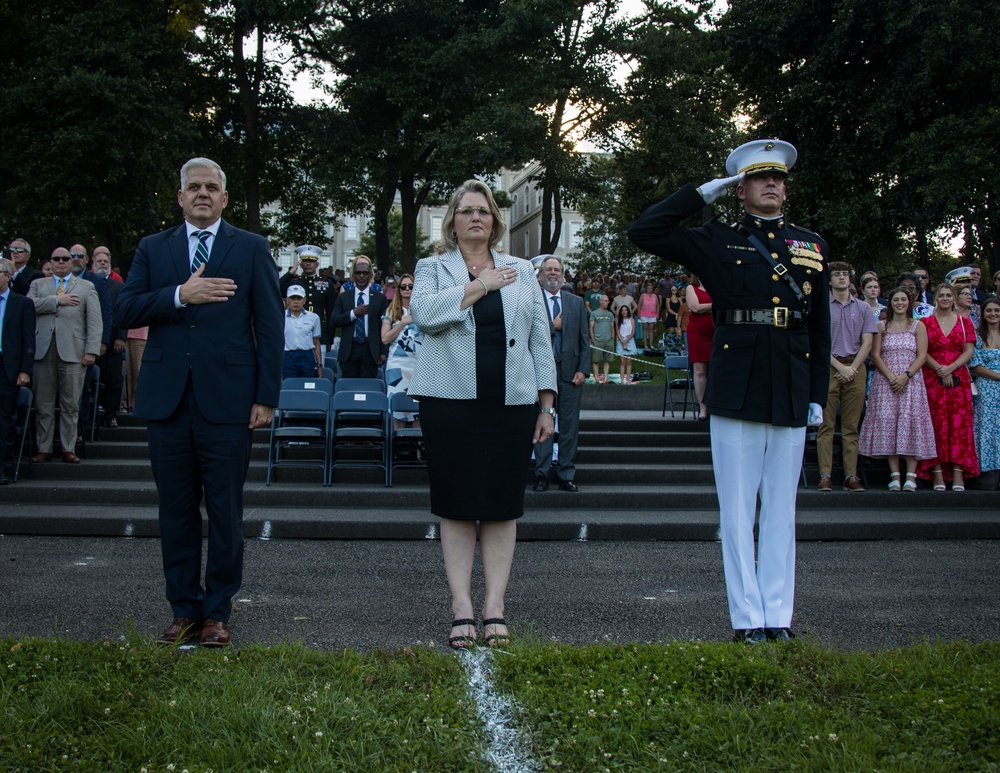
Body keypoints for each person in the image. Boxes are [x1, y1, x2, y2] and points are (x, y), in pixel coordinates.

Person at [629, 138, 831, 644]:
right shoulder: (715, 238)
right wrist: (701, 193)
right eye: (760, 178)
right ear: (740, 189)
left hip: (789, 380)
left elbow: (820, 326)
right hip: (737, 383)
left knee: (782, 507)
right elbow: (645, 230)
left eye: (778, 178)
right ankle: (746, 619)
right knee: (738, 508)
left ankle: (778, 617)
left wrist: (818, 394)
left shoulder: (811, 245)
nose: (771, 185)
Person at [114, 157, 284, 648]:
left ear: (225, 198)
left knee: (226, 511)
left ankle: (218, 612)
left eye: (212, 187)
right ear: (181, 196)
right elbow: (125, 308)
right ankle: (184, 609)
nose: (203, 194)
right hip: (167, 401)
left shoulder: (251, 248)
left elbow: (270, 327)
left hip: (229, 401)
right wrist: (179, 294)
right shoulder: (154, 248)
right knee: (176, 510)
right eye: (195, 187)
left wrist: (265, 397)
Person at [408, 179, 556, 650]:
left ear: (495, 221)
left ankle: (494, 605)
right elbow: (426, 314)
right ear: (452, 221)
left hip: (511, 403)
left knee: (501, 505)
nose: (476, 218)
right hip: (448, 403)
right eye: (467, 211)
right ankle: (461, 606)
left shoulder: (521, 270)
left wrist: (546, 403)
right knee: (455, 504)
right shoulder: (433, 267)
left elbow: (538, 339)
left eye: (485, 212)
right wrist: (479, 286)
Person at [28, 248, 103, 464]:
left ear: (72, 262)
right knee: (43, 404)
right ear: (50, 262)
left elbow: (95, 321)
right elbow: (27, 306)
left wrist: (91, 351)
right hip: (43, 351)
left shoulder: (86, 286)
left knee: (71, 404)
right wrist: (56, 301)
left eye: (65, 259)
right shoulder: (38, 285)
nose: (61, 262)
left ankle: (68, 448)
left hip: (74, 352)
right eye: (56, 259)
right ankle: (44, 448)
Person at [858, 288, 936, 491]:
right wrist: (893, 378)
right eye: (896, 299)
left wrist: (905, 376)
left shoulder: (918, 326)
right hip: (886, 382)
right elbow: (875, 355)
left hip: (911, 382)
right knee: (890, 424)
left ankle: (911, 475)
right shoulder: (881, 326)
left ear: (909, 302)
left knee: (910, 424)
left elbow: (922, 355)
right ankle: (894, 475)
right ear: (890, 303)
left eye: (903, 299)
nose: (900, 302)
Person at [816, 262, 878, 492]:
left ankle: (851, 476)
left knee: (851, 426)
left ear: (851, 280)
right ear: (829, 280)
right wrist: (840, 368)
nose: (842, 278)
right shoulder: (821, 307)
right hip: (829, 367)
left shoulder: (863, 308)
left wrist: (852, 367)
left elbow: (868, 342)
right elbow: (819, 342)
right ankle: (825, 475)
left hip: (856, 366)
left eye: (845, 274)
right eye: (837, 275)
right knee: (826, 425)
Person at [534, 255, 589, 492]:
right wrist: (552, 326)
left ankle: (566, 473)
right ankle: (542, 474)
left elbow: (584, 340)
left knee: (569, 425)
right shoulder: (532, 301)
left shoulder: (576, 302)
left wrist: (583, 369)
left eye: (557, 269)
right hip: (541, 374)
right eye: (548, 269)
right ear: (540, 275)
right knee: (542, 423)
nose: (553, 273)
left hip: (570, 373)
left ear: (563, 274)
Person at [916, 283, 978, 491]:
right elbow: (922, 351)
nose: (944, 298)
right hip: (932, 376)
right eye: (940, 295)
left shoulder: (964, 322)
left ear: (954, 298)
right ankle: (937, 473)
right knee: (936, 423)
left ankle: (959, 473)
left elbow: (968, 351)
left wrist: (950, 368)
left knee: (959, 425)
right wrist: (940, 369)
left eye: (948, 295)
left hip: (958, 376)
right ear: (935, 298)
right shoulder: (925, 322)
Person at [0, 258, 35, 484]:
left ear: (7, 275)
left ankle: (4, 468)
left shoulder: (21, 303)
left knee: (5, 419)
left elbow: (28, 339)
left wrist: (25, 370)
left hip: (8, 366)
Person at [328, 256, 388, 378]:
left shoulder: (379, 298)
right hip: (349, 348)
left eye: (365, 273)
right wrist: (353, 314)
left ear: (370, 276)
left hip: (370, 349)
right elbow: (334, 320)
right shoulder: (344, 297)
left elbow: (384, 326)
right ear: (353, 275)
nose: (361, 276)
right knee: (349, 387)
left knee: (368, 387)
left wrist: (383, 351)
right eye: (358, 273)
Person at [381, 272, 423, 428]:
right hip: (397, 365)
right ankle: (397, 450)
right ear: (398, 289)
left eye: (411, 286)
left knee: (417, 409)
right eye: (403, 286)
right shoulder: (391, 311)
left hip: (417, 364)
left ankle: (418, 452)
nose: (407, 289)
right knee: (397, 409)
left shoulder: (423, 310)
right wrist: (402, 323)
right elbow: (385, 338)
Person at [92, 249, 127, 428]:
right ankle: (92, 413)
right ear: (93, 263)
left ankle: (111, 414)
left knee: (114, 379)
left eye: (106, 261)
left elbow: (123, 312)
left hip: (113, 341)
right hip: (90, 341)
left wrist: (121, 337)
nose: (103, 264)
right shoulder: (86, 283)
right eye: (99, 261)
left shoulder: (119, 286)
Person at [280, 245, 337, 347]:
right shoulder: (295, 282)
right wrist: (291, 272)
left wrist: (329, 339)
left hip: (320, 331)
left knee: (319, 362)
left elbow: (330, 312)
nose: (308, 263)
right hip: (297, 331)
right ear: (301, 264)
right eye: (305, 261)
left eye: (312, 261)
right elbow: (278, 289)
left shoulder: (327, 284)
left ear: (317, 264)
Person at [971, 298, 1000, 489]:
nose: (993, 314)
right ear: (983, 314)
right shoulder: (978, 335)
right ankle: (989, 474)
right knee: (987, 429)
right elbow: (976, 365)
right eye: (989, 311)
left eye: (997, 310)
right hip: (987, 388)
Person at [685, 275, 714, 421]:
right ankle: (703, 408)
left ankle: (716, 405)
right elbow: (695, 307)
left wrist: (705, 309)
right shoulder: (691, 288)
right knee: (699, 369)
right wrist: (713, 307)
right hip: (698, 332)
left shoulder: (716, 287)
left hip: (716, 331)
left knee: (716, 369)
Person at [282, 285, 323, 380]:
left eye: (299, 298)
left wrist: (320, 366)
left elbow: (316, 343)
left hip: (307, 356)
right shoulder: (280, 316)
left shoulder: (314, 317)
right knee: (288, 386)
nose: (296, 301)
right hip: (287, 356)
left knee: (308, 385)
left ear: (304, 300)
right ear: (287, 300)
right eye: (293, 298)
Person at [589, 294, 616, 384]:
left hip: (608, 340)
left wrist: (612, 338)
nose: (607, 302)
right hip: (597, 340)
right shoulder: (594, 313)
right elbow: (591, 327)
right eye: (605, 301)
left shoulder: (610, 314)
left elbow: (612, 327)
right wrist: (593, 339)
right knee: (596, 360)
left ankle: (605, 378)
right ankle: (596, 378)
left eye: (608, 301)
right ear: (601, 301)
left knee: (607, 360)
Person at [616, 305, 638, 384]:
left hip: (630, 340)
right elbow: (617, 331)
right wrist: (622, 341)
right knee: (622, 360)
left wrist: (626, 340)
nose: (624, 312)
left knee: (629, 360)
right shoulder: (618, 320)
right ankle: (622, 379)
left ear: (628, 311)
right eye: (622, 310)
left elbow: (633, 332)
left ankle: (628, 379)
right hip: (620, 340)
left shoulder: (631, 320)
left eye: (625, 310)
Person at [637, 281, 659, 348]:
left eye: (651, 288)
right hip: (644, 314)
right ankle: (645, 344)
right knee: (645, 328)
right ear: (646, 289)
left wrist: (657, 314)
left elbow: (657, 305)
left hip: (652, 314)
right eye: (648, 288)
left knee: (651, 328)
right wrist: (638, 313)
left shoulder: (655, 296)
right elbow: (639, 304)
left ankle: (651, 344)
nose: (650, 290)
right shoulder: (643, 296)